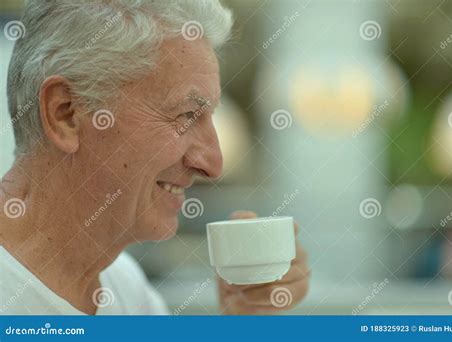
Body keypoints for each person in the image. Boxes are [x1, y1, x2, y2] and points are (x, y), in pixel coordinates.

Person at [0, 0, 309, 315]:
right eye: (187, 115)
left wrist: (243, 321)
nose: (213, 165)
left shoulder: (124, 285)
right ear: (65, 113)